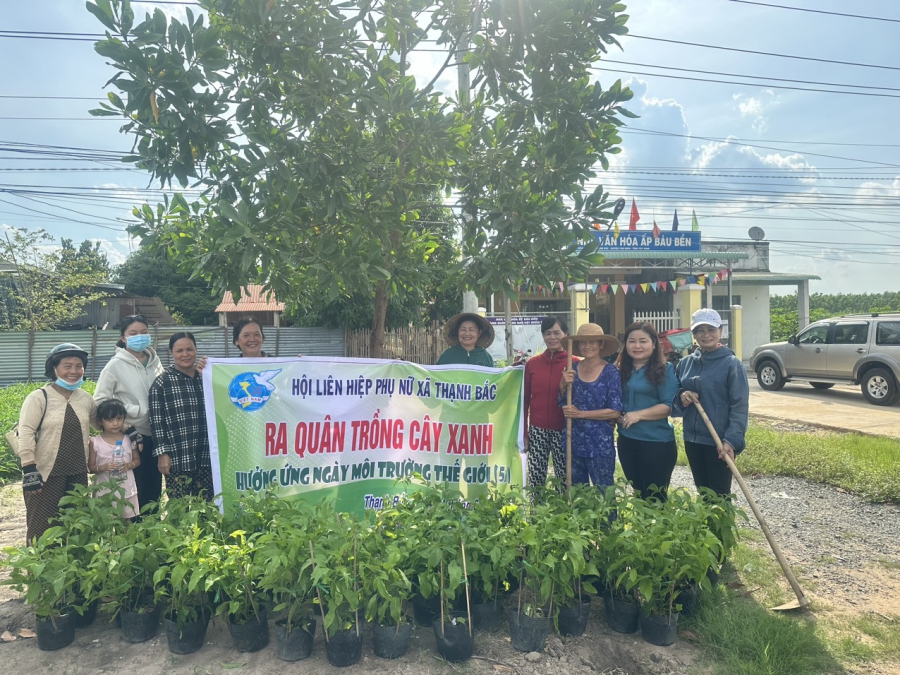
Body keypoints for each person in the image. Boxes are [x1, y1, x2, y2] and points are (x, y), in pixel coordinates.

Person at [15, 343, 98, 543]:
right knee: (42, 528)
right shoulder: (39, 397)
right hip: (45, 473)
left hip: (77, 472)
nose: (74, 371)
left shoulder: (85, 398)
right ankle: (39, 572)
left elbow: (102, 423)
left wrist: (128, 429)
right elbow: (25, 431)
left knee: (75, 525)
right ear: (54, 368)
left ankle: (70, 572)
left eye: (79, 366)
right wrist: (29, 468)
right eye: (67, 366)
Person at [673, 308, 750, 496]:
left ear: (720, 332)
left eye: (711, 329)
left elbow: (739, 406)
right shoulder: (685, 364)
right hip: (692, 438)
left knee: (720, 494)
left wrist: (731, 441)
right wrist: (682, 396)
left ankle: (722, 527)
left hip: (719, 441)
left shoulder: (732, 364)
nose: (706, 335)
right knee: (703, 492)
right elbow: (673, 398)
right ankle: (706, 526)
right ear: (694, 334)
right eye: (700, 330)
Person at [94, 314, 164, 512]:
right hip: (131, 438)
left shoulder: (155, 362)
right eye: (133, 333)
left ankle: (152, 533)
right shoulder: (114, 366)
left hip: (156, 435)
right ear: (124, 338)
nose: (139, 336)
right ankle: (132, 532)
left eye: (144, 332)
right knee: (133, 489)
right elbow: (100, 402)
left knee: (153, 489)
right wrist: (125, 424)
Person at [615, 322, 680, 501]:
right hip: (627, 441)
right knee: (637, 494)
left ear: (653, 344)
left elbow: (670, 405)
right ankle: (641, 529)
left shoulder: (664, 370)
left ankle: (660, 529)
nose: (637, 346)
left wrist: (639, 415)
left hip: (655, 444)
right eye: (632, 341)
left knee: (655, 498)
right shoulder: (621, 370)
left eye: (643, 341)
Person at [149, 332, 214, 500]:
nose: (185, 354)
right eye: (179, 351)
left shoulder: (207, 378)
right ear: (171, 352)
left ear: (196, 350)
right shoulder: (162, 383)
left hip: (207, 456)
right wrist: (163, 455)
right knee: (179, 510)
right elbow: (157, 422)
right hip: (178, 458)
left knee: (207, 508)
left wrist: (209, 371)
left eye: (190, 349)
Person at [558, 324, 622, 488]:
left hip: (599, 443)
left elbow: (614, 411)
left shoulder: (610, 372)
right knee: (578, 493)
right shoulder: (571, 370)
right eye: (583, 343)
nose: (587, 346)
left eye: (593, 342)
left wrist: (580, 414)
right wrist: (562, 384)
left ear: (601, 344)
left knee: (604, 493)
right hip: (573, 439)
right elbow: (563, 404)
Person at [523, 316, 575, 489]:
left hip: (564, 429)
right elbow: (525, 401)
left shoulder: (575, 363)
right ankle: (535, 513)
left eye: (556, 332)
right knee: (536, 476)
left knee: (564, 477)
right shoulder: (533, 364)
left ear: (566, 334)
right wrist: (524, 432)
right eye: (547, 333)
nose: (552, 337)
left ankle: (564, 513)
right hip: (537, 429)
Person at [89, 398, 140, 519]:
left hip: (126, 490)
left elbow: (137, 460)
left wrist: (128, 465)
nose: (115, 423)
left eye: (119, 418)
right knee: (105, 522)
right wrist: (104, 467)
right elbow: (90, 467)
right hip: (104, 491)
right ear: (100, 421)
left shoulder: (129, 439)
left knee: (126, 522)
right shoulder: (95, 442)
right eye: (109, 420)